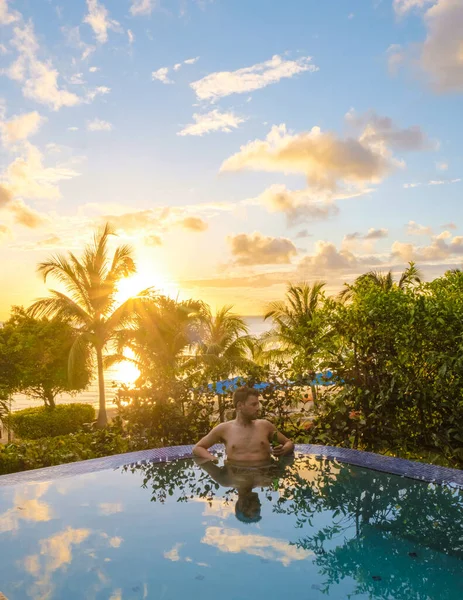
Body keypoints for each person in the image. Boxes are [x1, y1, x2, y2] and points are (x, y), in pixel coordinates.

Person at [193, 386, 294, 465]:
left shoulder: (265, 425)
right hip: (237, 475)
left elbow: (288, 442)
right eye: (254, 404)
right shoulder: (224, 429)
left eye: (258, 404)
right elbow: (198, 448)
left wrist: (284, 450)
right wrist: (213, 459)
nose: (258, 408)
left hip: (263, 473)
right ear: (240, 405)